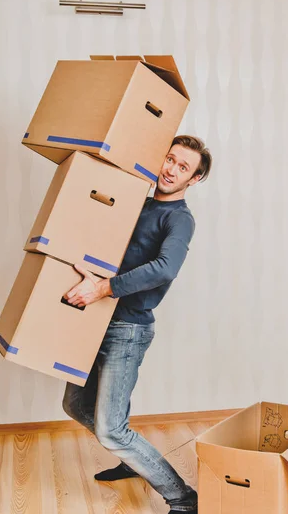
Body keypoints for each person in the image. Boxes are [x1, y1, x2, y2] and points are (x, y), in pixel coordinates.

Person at [62, 135, 212, 514]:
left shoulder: (179, 219)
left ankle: (183, 498)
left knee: (112, 428)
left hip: (127, 330)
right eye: (170, 159)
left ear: (193, 179)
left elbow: (166, 267)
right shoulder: (138, 204)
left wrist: (106, 288)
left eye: (183, 167)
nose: (171, 169)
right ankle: (132, 461)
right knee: (75, 404)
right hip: (95, 320)